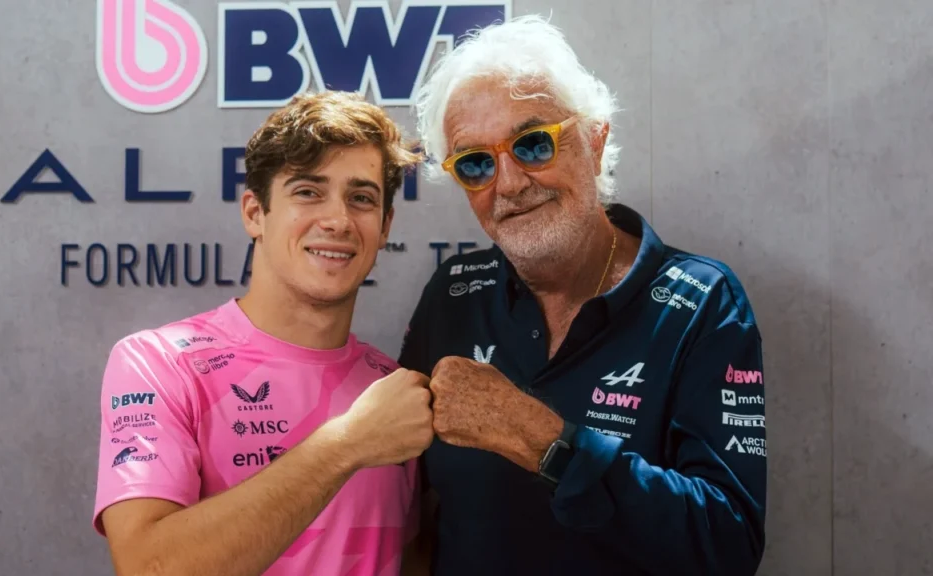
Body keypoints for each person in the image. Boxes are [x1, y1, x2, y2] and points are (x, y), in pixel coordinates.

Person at [398, 14, 768, 576]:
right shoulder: (453, 293)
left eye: (533, 145)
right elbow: (404, 505)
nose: (509, 183)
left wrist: (543, 439)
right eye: (476, 163)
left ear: (595, 141)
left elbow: (728, 544)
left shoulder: (702, 303)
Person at [92, 90, 433, 576]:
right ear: (255, 213)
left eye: (361, 198)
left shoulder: (394, 387)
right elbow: (149, 566)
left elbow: (415, 559)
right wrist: (348, 443)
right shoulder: (160, 364)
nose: (338, 220)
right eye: (308, 192)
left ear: (384, 227)